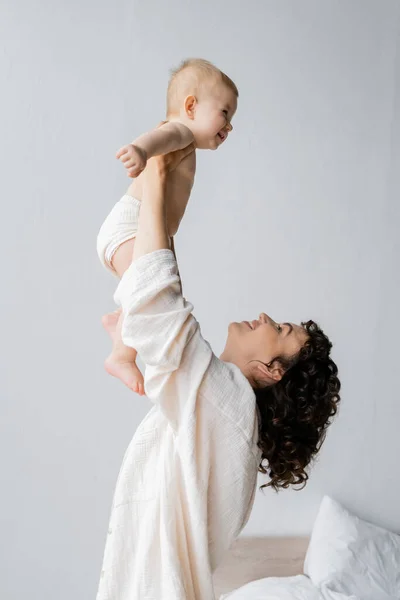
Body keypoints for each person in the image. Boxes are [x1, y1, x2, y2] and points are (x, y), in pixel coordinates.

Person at [95, 148, 341, 600]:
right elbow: (162, 310)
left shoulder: (228, 407)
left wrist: (159, 172)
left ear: (271, 370)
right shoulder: (226, 411)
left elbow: (163, 307)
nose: (266, 316)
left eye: (280, 329)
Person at [97, 58, 238, 396]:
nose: (229, 126)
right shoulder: (181, 133)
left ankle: (122, 330)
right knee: (155, 293)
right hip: (132, 226)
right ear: (191, 106)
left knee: (164, 293)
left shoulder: (188, 143)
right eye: (224, 113)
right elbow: (161, 137)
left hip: (149, 230)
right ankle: (121, 354)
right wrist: (141, 151)